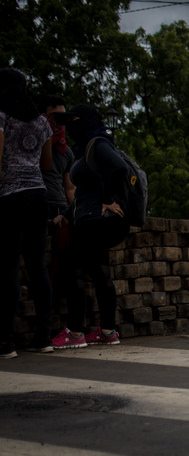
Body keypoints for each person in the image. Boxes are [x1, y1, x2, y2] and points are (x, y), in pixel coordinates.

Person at [49, 104, 131, 349]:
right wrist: (66, 213)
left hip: (96, 220)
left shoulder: (98, 143)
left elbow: (120, 167)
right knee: (100, 272)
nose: (68, 125)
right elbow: (86, 190)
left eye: (73, 119)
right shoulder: (85, 147)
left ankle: (75, 332)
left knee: (75, 269)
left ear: (85, 120)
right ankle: (107, 330)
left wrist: (107, 199)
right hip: (89, 217)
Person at [0, 68, 53, 358]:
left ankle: (5, 340)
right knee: (37, 266)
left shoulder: (1, 117)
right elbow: (46, 164)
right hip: (38, 195)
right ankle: (43, 335)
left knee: (8, 265)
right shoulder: (41, 122)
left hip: (9, 195)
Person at [40, 95, 75, 219]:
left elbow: (70, 188)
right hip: (38, 203)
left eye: (63, 118)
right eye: (55, 117)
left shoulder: (66, 152)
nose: (59, 122)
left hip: (60, 207)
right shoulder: (32, 145)